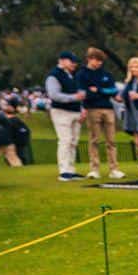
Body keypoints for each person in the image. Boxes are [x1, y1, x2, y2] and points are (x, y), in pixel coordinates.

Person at [77, 47, 121, 179]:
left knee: (111, 141)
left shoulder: (106, 74)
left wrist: (99, 90)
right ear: (90, 59)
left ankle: (114, 169)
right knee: (94, 140)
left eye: (101, 61)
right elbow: (84, 93)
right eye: (97, 60)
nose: (100, 63)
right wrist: (97, 92)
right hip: (92, 109)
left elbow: (113, 90)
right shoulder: (81, 74)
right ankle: (94, 169)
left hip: (108, 108)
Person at [45, 50, 86, 181]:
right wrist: (74, 97)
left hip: (75, 111)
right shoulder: (54, 76)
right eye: (71, 61)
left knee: (74, 141)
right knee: (65, 140)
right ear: (62, 60)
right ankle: (63, 171)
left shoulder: (71, 75)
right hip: (61, 112)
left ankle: (71, 169)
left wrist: (82, 108)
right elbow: (54, 95)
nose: (74, 64)